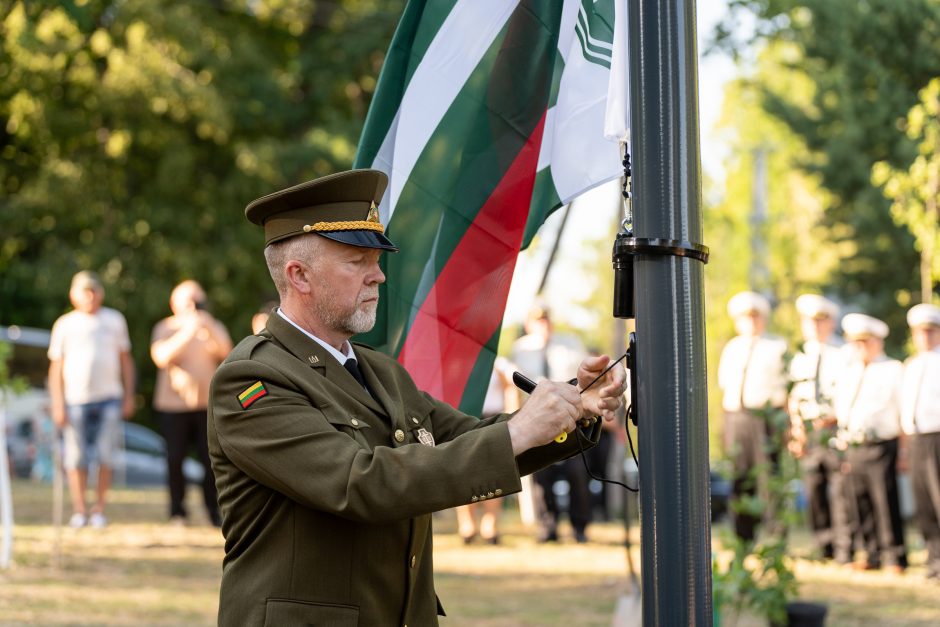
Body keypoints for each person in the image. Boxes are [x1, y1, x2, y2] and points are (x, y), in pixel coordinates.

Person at [207, 169, 626, 626]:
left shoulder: (379, 370)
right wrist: (521, 429)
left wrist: (572, 407)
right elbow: (359, 483)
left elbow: (467, 438)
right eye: (356, 262)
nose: (378, 277)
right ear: (300, 275)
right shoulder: (254, 378)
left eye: (376, 261)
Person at [47, 271, 135, 529]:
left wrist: (129, 396)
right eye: (84, 291)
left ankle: (99, 509)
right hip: (75, 399)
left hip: (109, 397)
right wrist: (57, 403)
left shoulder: (114, 320)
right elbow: (56, 368)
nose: (89, 296)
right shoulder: (64, 324)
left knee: (106, 456)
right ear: (73, 295)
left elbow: (125, 361)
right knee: (76, 458)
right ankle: (79, 509)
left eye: (93, 290)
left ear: (100, 293)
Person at [150, 280, 232, 526]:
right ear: (174, 304)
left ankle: (213, 512)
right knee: (175, 460)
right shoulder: (165, 327)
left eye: (197, 301)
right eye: (188, 301)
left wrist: (207, 326)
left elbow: (228, 353)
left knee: (211, 462)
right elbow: (162, 357)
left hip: (206, 406)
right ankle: (178, 512)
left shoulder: (212, 326)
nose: (193, 307)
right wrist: (188, 330)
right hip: (172, 407)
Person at [511, 305, 594, 543]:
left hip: (570, 417)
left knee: (577, 473)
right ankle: (548, 526)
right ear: (529, 324)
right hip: (536, 417)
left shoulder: (571, 344)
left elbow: (584, 380)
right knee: (540, 474)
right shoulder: (521, 349)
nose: (542, 324)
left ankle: (580, 526)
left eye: (545, 319)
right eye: (537, 320)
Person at [834, 313, 907, 573]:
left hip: (881, 444)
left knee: (884, 501)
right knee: (859, 500)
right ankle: (871, 552)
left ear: (878, 341)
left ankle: (894, 555)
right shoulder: (849, 372)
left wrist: (904, 449)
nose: (861, 347)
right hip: (854, 444)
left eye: (866, 341)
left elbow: (902, 409)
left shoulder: (892, 369)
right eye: (857, 342)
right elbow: (843, 409)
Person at [717, 291, 788, 541]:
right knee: (740, 475)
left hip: (765, 417)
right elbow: (725, 387)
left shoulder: (776, 346)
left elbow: (785, 390)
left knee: (768, 475)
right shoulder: (732, 348)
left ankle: (775, 533)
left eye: (754, 316)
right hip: (737, 417)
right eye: (744, 317)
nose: (750, 322)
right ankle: (742, 534)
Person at [787, 294, 851, 562]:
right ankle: (822, 545)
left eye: (820, 321)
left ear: (831, 322)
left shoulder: (844, 353)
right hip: (809, 430)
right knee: (813, 488)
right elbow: (794, 395)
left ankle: (843, 547)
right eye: (809, 321)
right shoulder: (801, 356)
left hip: (835, 427)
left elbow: (850, 392)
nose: (814, 326)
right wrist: (797, 429)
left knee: (839, 489)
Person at [453, 356, 518, 545]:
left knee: (494, 474)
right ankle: (467, 524)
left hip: (492, 417)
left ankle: (490, 524)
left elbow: (510, 389)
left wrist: (512, 417)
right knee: (465, 473)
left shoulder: (500, 364)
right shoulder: (461, 361)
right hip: (466, 417)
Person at [900, 303, 940, 580]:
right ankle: (933, 555)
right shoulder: (911, 365)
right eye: (919, 332)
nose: (925, 337)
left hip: (937, 437)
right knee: (923, 501)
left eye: (930, 332)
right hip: (915, 438)